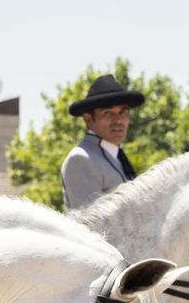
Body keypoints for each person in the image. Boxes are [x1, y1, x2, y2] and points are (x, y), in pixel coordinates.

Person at [60, 74, 145, 210]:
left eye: (123, 112)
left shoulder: (115, 155)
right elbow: (89, 224)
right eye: (108, 113)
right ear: (88, 120)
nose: (118, 120)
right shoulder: (81, 159)